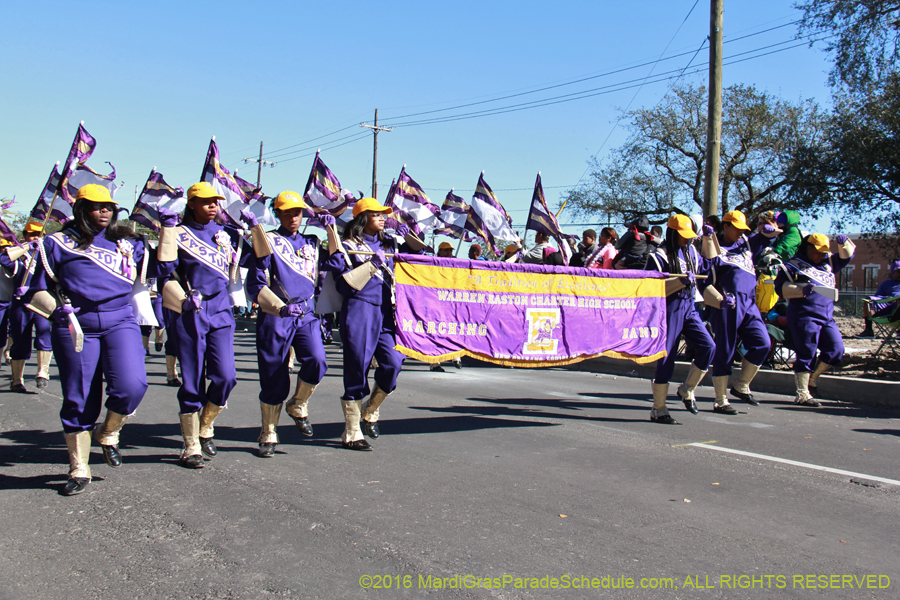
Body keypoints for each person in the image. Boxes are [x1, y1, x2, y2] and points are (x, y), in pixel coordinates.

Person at [27, 184, 154, 495]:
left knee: (132, 384)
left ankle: (108, 432)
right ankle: (78, 466)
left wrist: (167, 228)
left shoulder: (127, 242)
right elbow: (34, 289)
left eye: (109, 206)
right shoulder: (56, 243)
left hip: (120, 319)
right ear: (81, 209)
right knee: (79, 396)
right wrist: (56, 312)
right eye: (97, 206)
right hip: (75, 325)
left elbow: (155, 272)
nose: (105, 211)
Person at [156, 182, 252, 468]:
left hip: (221, 307)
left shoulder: (227, 234)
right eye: (206, 201)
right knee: (192, 377)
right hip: (190, 308)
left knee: (226, 376)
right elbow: (162, 271)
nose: (213, 205)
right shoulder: (179, 233)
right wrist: (166, 231)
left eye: (216, 202)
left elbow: (260, 257)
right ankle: (191, 444)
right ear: (192, 204)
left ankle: (206, 423)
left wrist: (254, 226)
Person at [245, 191, 329, 458]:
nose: (293, 217)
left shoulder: (313, 242)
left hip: (306, 314)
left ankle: (298, 404)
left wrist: (333, 228)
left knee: (317, 360)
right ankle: (268, 431)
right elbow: (256, 281)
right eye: (287, 212)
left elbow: (337, 264)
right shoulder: (268, 241)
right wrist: (255, 231)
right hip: (277, 314)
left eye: (298, 212)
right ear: (278, 213)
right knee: (274, 375)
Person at [322, 198, 409, 451]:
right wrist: (372, 264)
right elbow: (343, 285)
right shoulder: (347, 245)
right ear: (362, 218)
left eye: (384, 215)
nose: (383, 218)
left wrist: (408, 236)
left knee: (394, 362)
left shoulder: (389, 243)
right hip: (359, 308)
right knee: (357, 368)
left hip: (385, 311)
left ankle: (371, 410)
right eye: (377, 214)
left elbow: (418, 257)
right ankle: (351, 431)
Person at [698, 210, 775, 414]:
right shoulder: (715, 247)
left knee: (762, 343)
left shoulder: (747, 244)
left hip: (749, 303)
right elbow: (704, 276)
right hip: (727, 302)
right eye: (737, 229)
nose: (741, 233)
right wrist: (719, 299)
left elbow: (769, 235)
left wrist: (771, 230)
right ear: (726, 227)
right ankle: (720, 399)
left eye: (744, 230)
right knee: (726, 349)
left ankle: (742, 385)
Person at [644, 214, 715, 424]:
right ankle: (659, 408)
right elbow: (652, 289)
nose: (688, 239)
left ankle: (687, 389)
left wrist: (710, 240)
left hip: (689, 307)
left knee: (708, 346)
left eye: (690, 235)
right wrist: (680, 282)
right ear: (673, 234)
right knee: (667, 357)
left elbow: (708, 267)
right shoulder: (659, 256)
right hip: (669, 308)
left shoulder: (692, 250)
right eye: (683, 236)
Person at [774, 233, 855, 406]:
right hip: (804, 316)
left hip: (826, 317)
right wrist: (802, 289)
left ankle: (812, 379)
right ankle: (802, 394)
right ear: (808, 248)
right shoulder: (792, 266)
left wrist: (844, 244)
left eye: (824, 252)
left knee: (836, 349)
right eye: (818, 251)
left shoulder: (828, 263)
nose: (822, 255)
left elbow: (847, 256)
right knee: (806, 353)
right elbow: (779, 288)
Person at [5, 221, 52, 391]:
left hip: (41, 303)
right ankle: (17, 380)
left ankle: (43, 372)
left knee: (44, 333)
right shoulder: (19, 257)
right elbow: (4, 259)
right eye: (31, 234)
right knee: (20, 339)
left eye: (39, 235)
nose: (35, 238)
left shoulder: (47, 257)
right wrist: (25, 247)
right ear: (24, 236)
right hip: (20, 303)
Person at [854, 260, 900, 339]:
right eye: (898, 271)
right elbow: (877, 296)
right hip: (886, 307)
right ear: (893, 272)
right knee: (868, 301)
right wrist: (886, 298)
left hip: (897, 310)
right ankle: (868, 330)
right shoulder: (886, 284)